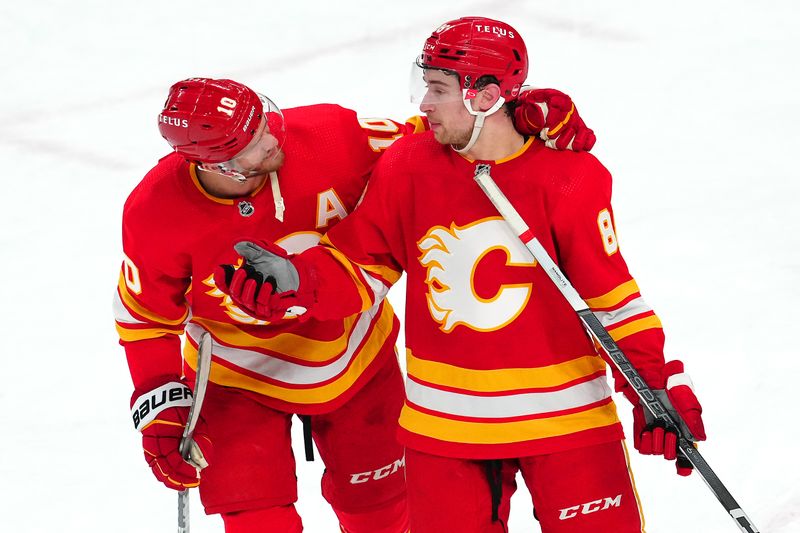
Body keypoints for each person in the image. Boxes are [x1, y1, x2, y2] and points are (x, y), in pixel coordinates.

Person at [214, 17, 708, 533]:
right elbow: (362, 267)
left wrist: (654, 386)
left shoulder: (569, 178)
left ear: (486, 95)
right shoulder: (408, 166)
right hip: (445, 429)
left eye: (436, 89)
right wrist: (298, 281)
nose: (422, 104)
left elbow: (612, 301)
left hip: (568, 421)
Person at [114, 76, 595, 532]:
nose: (274, 137)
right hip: (237, 379)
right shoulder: (155, 213)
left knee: (382, 512)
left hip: (356, 358)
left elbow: (435, 138)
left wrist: (518, 116)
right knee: (256, 519)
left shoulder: (329, 134)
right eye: (256, 142)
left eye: (265, 118)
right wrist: (161, 405)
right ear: (218, 166)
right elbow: (145, 321)